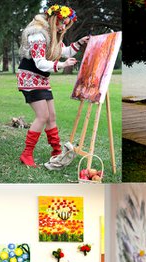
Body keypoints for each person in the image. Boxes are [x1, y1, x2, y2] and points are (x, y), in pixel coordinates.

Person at [17, 4, 89, 167]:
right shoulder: (37, 33)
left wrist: (79, 42)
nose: (63, 27)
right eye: (62, 22)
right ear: (54, 18)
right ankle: (26, 154)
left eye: (66, 24)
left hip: (41, 79)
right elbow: (40, 63)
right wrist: (62, 65)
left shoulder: (52, 34)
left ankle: (56, 151)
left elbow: (64, 51)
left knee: (52, 116)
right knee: (42, 116)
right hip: (29, 78)